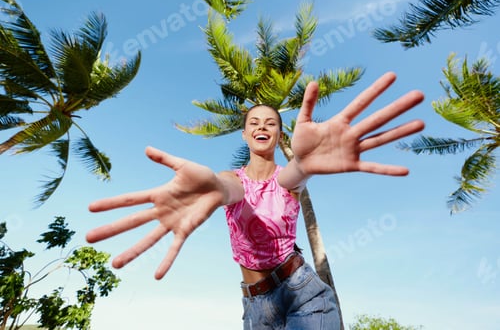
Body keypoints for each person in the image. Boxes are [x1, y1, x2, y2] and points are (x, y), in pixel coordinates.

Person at [86, 72, 425, 329]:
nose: (262, 127)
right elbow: (226, 188)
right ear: (245, 133)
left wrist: (305, 164)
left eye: (271, 123)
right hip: (254, 308)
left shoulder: (286, 179)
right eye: (254, 123)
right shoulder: (233, 180)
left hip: (304, 296)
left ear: (279, 134)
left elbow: (294, 174)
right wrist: (212, 188)